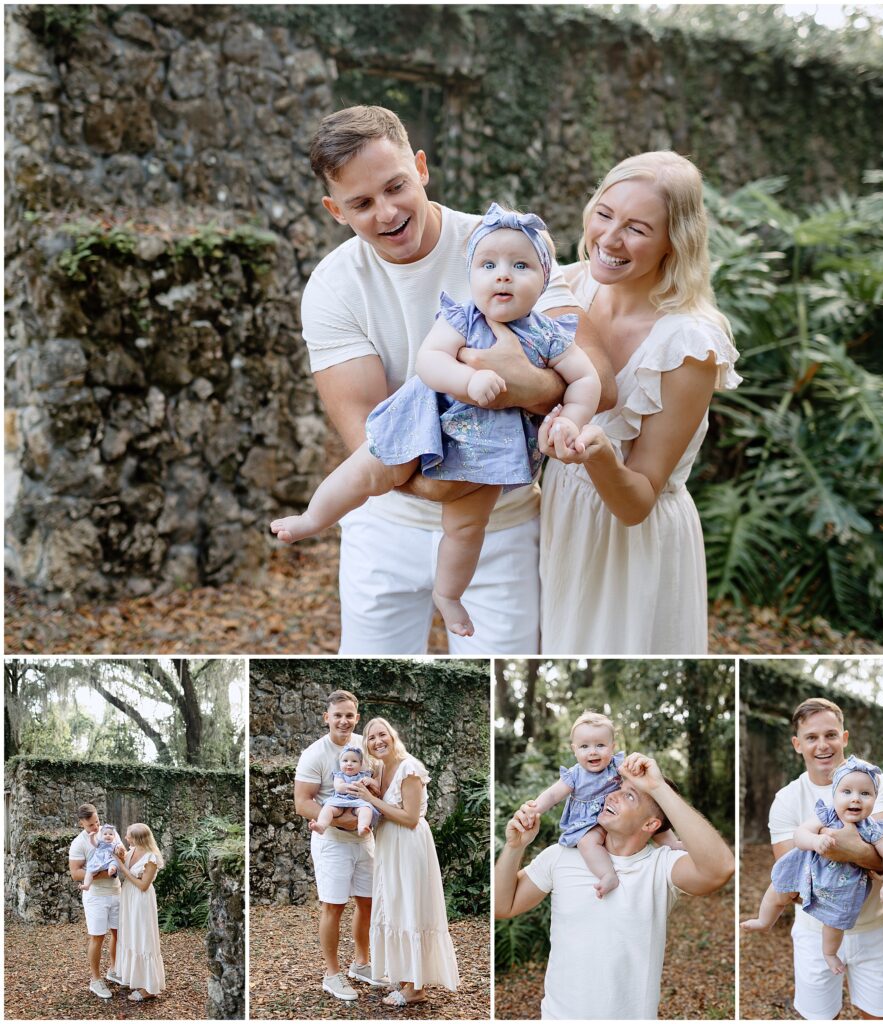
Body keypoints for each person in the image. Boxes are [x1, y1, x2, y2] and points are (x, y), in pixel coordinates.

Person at [300, 104, 614, 655]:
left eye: (396, 186)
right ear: (335, 210)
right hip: (386, 526)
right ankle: (310, 517)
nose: (388, 211)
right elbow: (368, 434)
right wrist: (456, 480)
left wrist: (520, 384)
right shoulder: (333, 286)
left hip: (503, 525)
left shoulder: (505, 246)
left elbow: (597, 378)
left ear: (421, 167)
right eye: (361, 203)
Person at [537, 150, 741, 654]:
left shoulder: (690, 343)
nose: (609, 239)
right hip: (554, 518)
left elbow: (639, 501)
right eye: (604, 214)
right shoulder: (560, 286)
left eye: (637, 228)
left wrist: (598, 453)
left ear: (676, 241)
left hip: (631, 542)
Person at [495, 752, 734, 1020]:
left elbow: (721, 869)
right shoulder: (562, 855)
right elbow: (503, 906)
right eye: (616, 788)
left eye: (629, 795)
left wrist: (657, 786)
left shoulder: (662, 866)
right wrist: (515, 847)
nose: (612, 796)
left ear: (651, 824)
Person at [767, 697, 883, 1021]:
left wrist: (840, 851)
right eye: (812, 738)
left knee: (881, 1015)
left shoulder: (875, 783)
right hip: (815, 933)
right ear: (797, 745)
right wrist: (859, 867)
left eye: (830, 735)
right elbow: (790, 884)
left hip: (874, 930)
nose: (822, 745)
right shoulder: (787, 800)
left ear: (844, 737)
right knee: (818, 1017)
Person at [743, 756, 883, 974]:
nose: (855, 799)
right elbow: (800, 835)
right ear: (834, 795)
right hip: (807, 872)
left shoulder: (871, 828)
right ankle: (764, 920)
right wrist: (815, 841)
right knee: (778, 889)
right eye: (847, 792)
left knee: (834, 923)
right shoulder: (827, 815)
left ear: (874, 799)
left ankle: (829, 953)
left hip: (841, 888)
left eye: (865, 793)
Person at [349, 717, 459, 1007]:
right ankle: (408, 978)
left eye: (381, 734)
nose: (377, 741)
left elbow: (410, 818)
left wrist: (372, 800)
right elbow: (385, 807)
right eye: (371, 738)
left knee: (411, 906)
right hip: (389, 843)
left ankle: (416, 988)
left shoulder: (410, 768)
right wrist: (370, 792)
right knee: (396, 906)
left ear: (392, 735)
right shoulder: (382, 768)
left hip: (409, 844)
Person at [293, 689, 384, 1001]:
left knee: (367, 901)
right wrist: (342, 821)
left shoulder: (366, 746)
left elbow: (379, 787)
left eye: (349, 715)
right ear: (326, 718)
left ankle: (361, 963)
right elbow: (302, 803)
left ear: (357, 718)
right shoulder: (315, 754)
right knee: (333, 905)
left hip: (364, 839)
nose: (343, 721)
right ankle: (332, 974)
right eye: (338, 715)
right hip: (331, 841)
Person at [525, 711, 625, 897]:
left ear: (612, 747)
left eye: (600, 745)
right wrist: (534, 809)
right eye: (584, 746)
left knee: (649, 811)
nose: (593, 751)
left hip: (617, 815)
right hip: (590, 824)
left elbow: (638, 780)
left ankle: (669, 842)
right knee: (587, 843)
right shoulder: (574, 775)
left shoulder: (616, 766)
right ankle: (608, 874)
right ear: (574, 749)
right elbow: (554, 795)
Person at [68, 803, 123, 999]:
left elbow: (120, 855)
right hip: (95, 897)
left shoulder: (109, 833)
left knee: (118, 933)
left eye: (97, 821)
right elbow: (75, 874)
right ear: (81, 822)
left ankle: (114, 969)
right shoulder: (79, 843)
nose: (96, 827)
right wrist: (101, 873)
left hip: (116, 892)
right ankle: (95, 979)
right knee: (98, 937)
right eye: (91, 824)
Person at [112, 822, 166, 1001]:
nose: (126, 838)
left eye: (129, 836)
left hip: (141, 900)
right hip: (128, 897)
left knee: (143, 938)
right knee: (132, 936)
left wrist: (122, 867)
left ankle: (149, 988)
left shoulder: (151, 858)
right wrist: (120, 857)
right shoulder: (132, 851)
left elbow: (143, 885)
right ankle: (137, 978)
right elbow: (121, 860)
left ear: (138, 839)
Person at [311, 745, 381, 837]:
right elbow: (339, 788)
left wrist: (370, 781)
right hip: (340, 801)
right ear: (340, 764)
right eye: (345, 761)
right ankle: (321, 825)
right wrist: (355, 785)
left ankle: (362, 827)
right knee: (328, 808)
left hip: (359, 802)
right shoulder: (339, 775)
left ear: (360, 765)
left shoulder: (364, 776)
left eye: (354, 761)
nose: (349, 763)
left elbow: (377, 785)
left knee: (366, 809)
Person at [80, 823, 122, 891]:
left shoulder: (114, 844)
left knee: (114, 862)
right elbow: (93, 843)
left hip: (109, 860)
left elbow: (118, 850)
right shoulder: (100, 843)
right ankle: (86, 885)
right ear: (101, 836)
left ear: (114, 836)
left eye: (111, 834)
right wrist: (91, 837)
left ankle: (111, 870)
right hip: (98, 861)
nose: (108, 836)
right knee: (89, 871)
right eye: (105, 834)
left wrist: (119, 850)